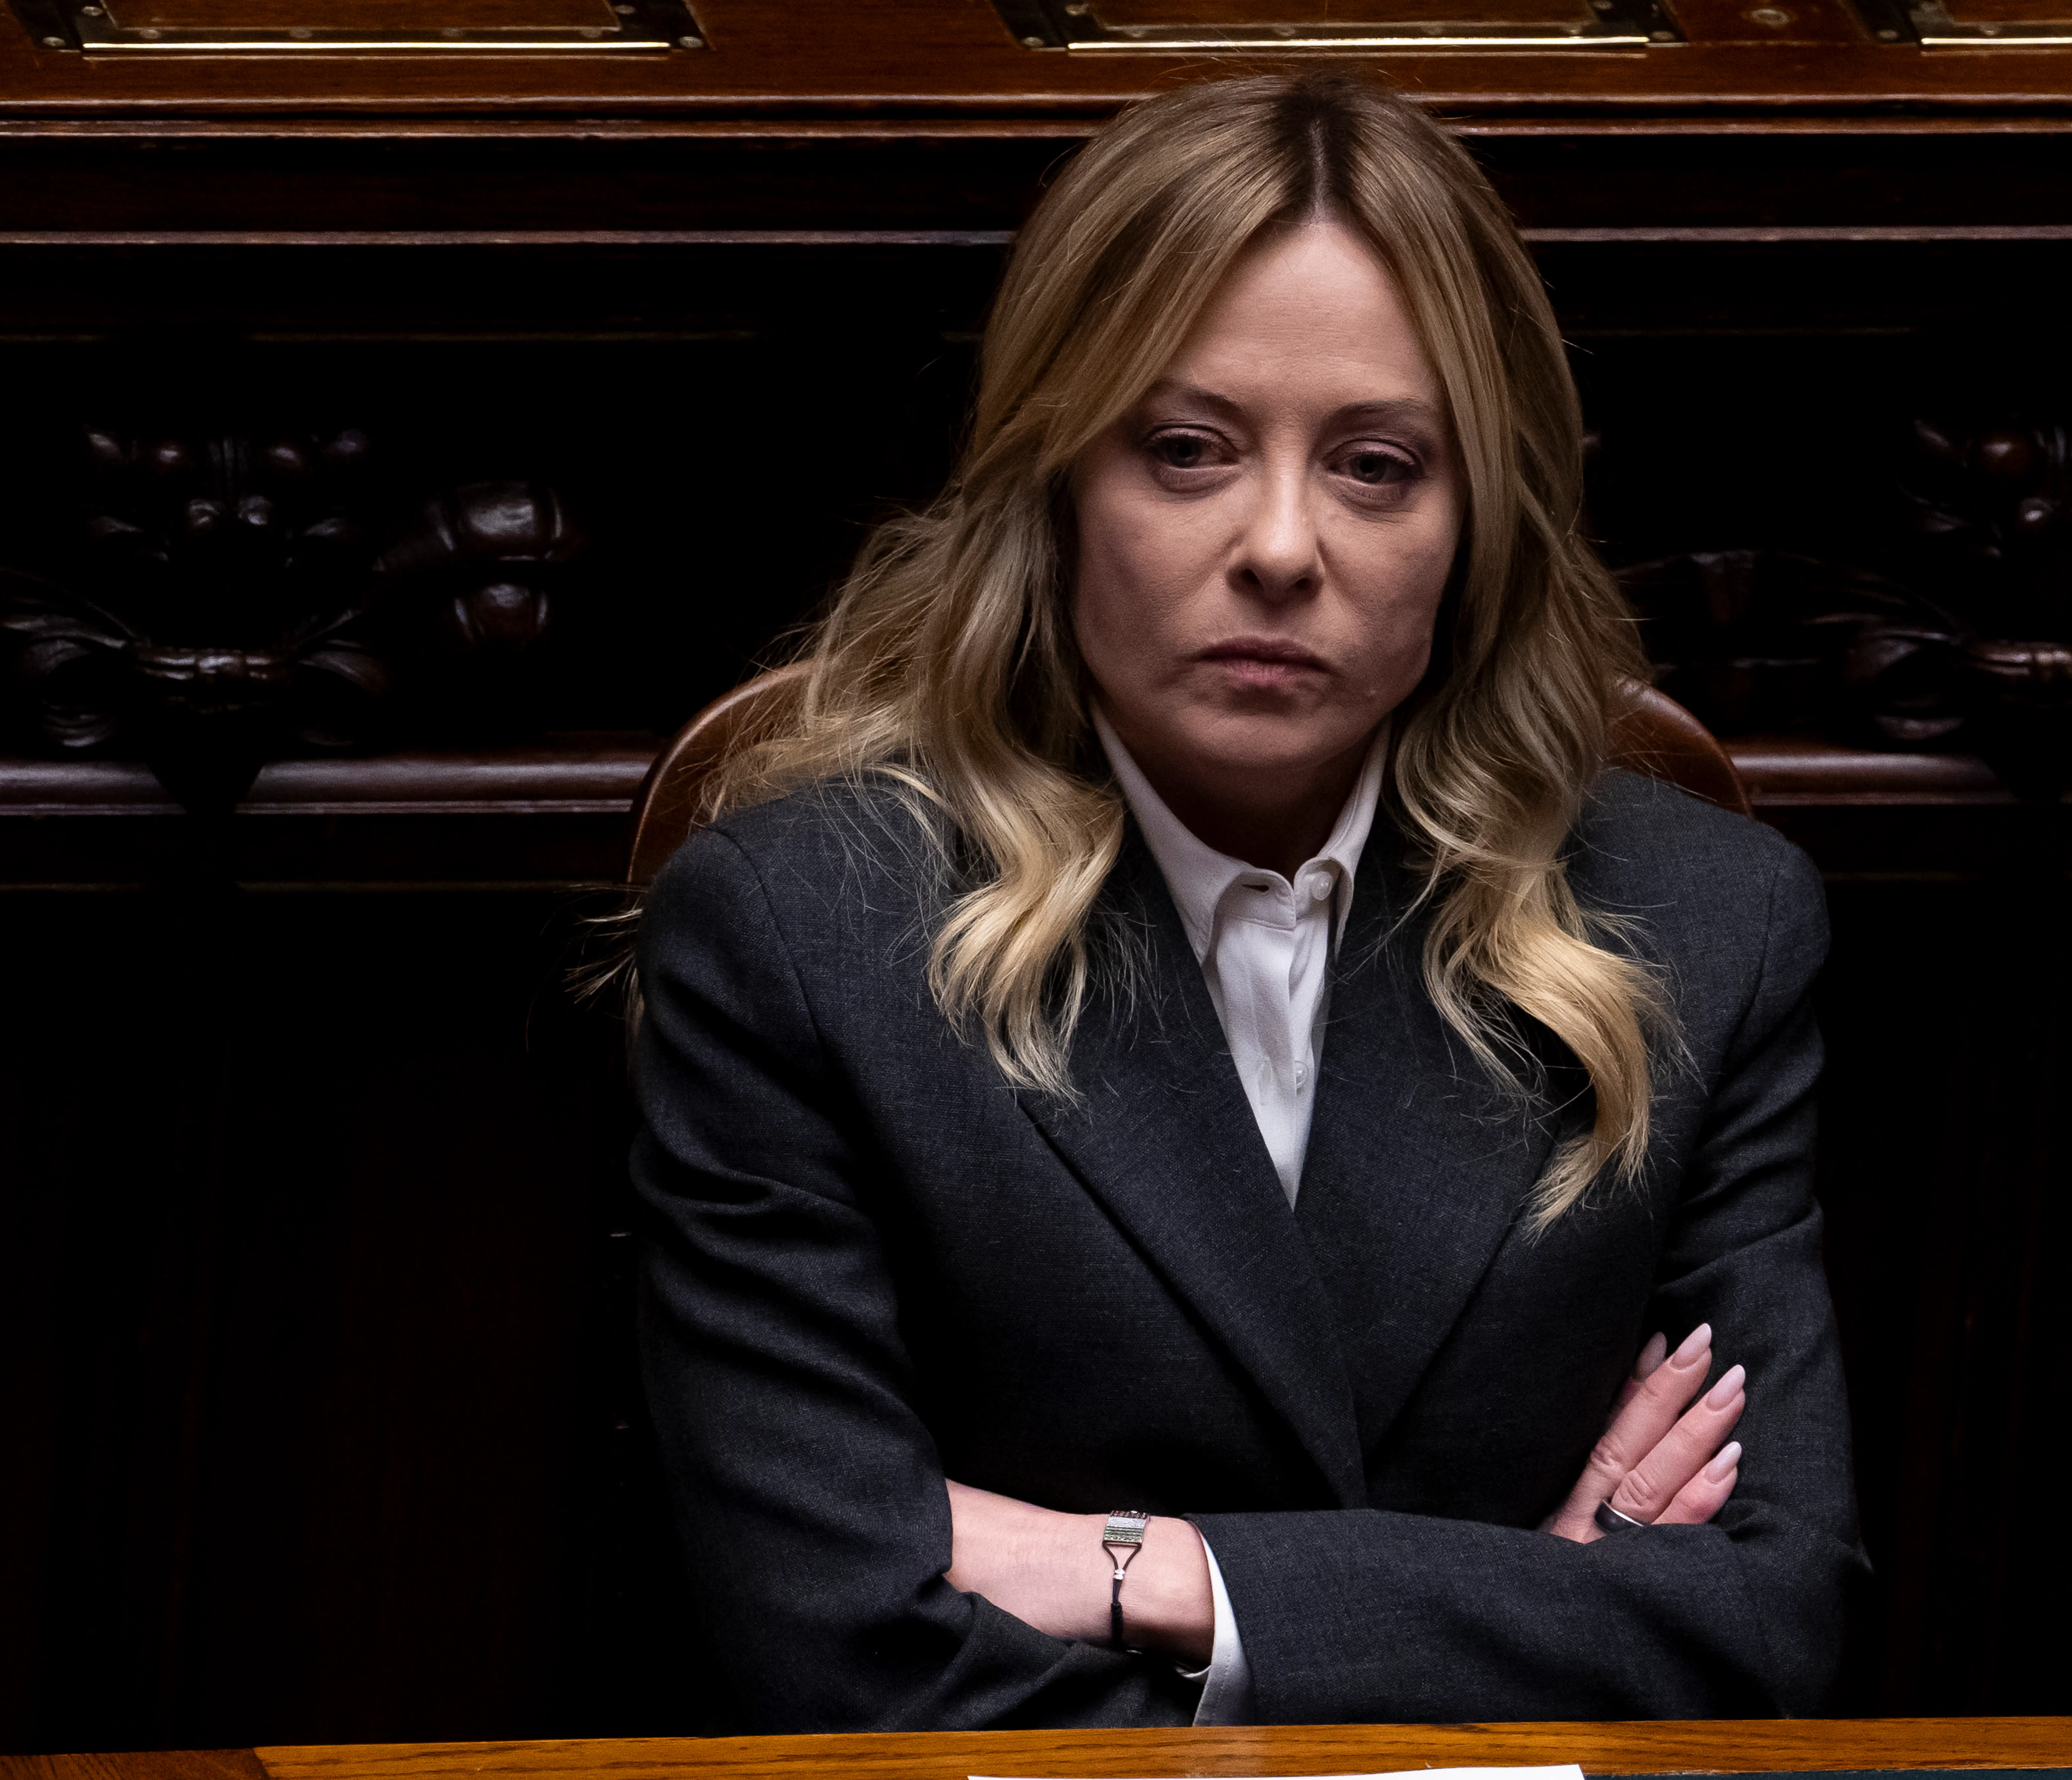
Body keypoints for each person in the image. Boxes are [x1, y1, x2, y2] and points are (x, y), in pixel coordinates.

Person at [627, 68, 1861, 1732]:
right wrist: (1544, 1599)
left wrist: (1146, 1575)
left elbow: (1769, 1626)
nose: (1279, 545)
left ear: (1476, 523)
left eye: (1375, 465)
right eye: (1185, 450)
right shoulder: (798, 931)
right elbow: (833, 1646)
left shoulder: (1707, 924)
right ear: (1057, 485)